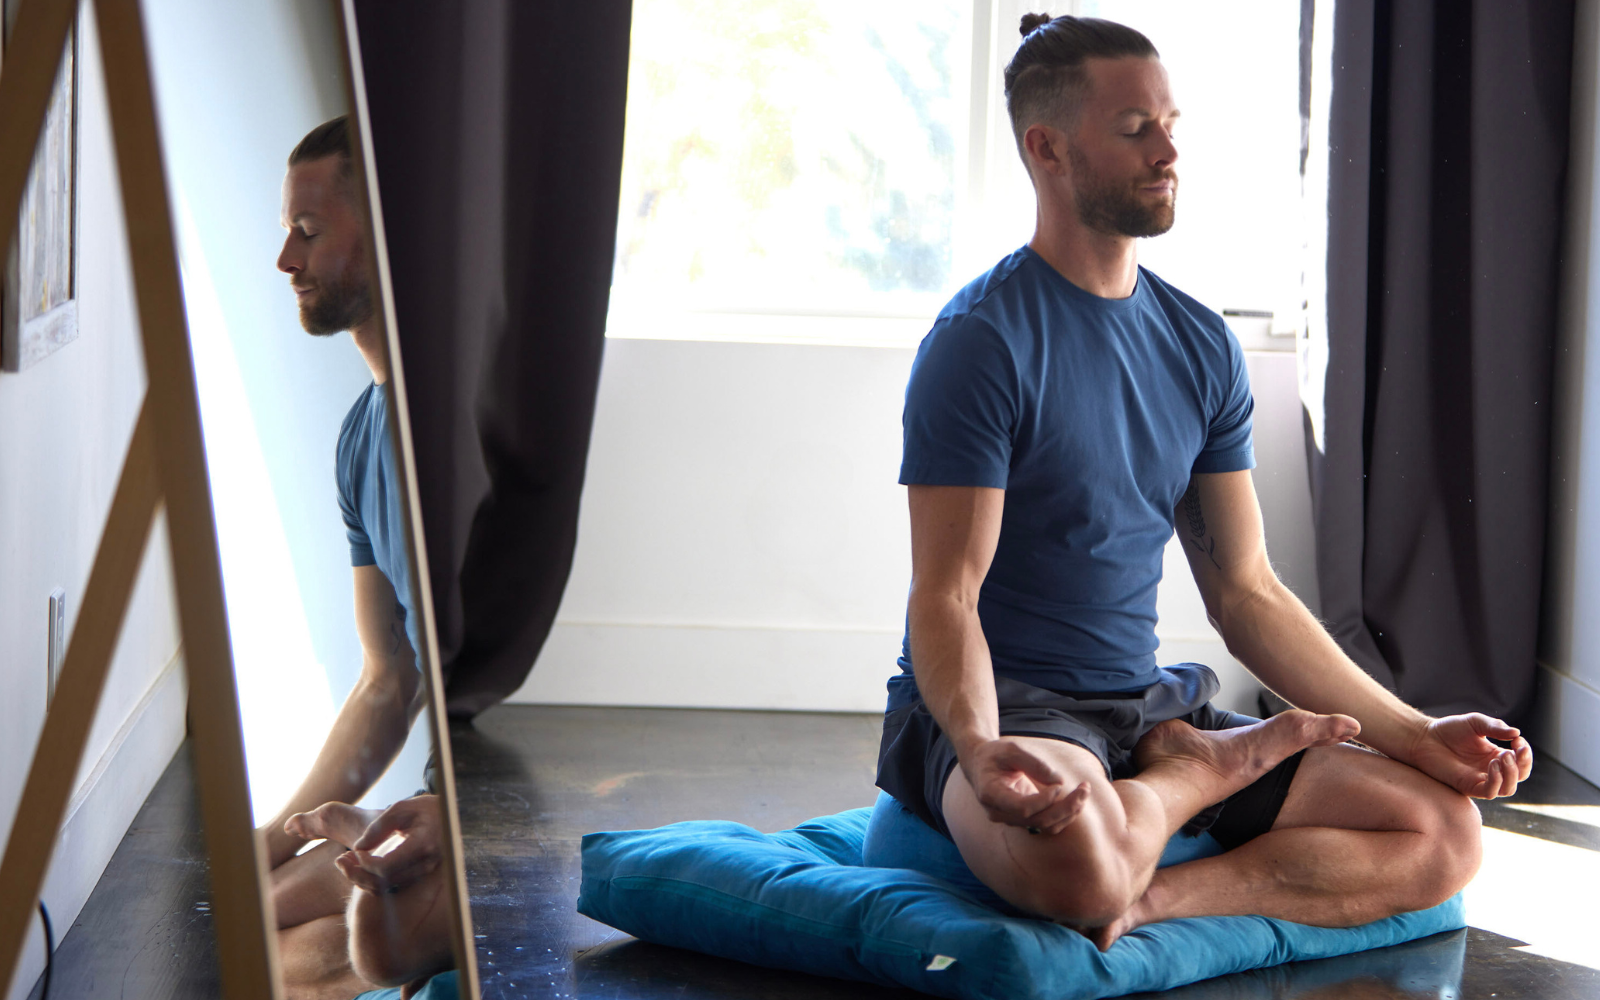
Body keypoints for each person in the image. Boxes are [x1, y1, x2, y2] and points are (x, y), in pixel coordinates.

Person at [875, 14, 1533, 951]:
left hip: (1141, 709)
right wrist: (979, 748)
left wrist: (1415, 734)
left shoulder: (1198, 342)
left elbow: (1247, 591)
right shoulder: (982, 343)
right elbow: (946, 593)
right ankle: (1191, 780)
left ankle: (1153, 894)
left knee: (1443, 836)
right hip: (1017, 705)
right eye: (1135, 127)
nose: (1169, 148)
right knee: (1082, 868)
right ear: (1048, 148)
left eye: (1171, 121)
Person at [264, 116, 438, 956]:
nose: (285, 261)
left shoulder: (450, 426)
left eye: (306, 232)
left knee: (303, 955)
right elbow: (387, 680)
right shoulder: (357, 439)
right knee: (254, 912)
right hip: (428, 804)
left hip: (472, 810)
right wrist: (277, 835)